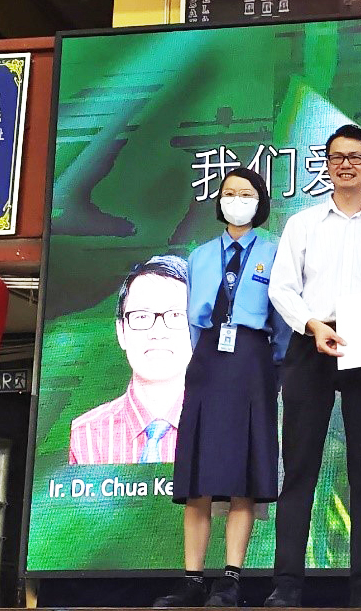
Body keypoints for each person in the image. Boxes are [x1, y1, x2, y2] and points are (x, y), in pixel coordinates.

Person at [268, 123, 361, 609]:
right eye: (337, 157)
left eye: (355, 156)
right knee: (300, 467)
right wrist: (313, 325)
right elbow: (282, 288)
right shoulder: (304, 223)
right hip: (313, 342)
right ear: (326, 165)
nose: (346, 164)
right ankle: (287, 584)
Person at [153, 167, 281, 609]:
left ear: (260, 201)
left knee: (243, 475)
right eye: (229, 192)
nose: (236, 199)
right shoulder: (201, 256)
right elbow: (192, 320)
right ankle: (192, 579)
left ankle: (230, 578)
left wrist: (270, 363)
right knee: (199, 479)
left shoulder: (273, 252)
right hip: (208, 361)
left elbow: (282, 324)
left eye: (246, 193)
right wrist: (206, 354)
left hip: (253, 358)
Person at [70, 255, 192, 465]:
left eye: (176, 315)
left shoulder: (231, 428)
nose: (158, 332)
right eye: (142, 316)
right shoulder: (84, 435)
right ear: (121, 331)